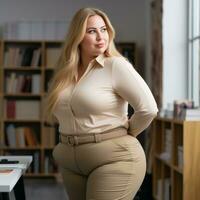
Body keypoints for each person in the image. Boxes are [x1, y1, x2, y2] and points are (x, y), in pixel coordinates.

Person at [45, 7, 158, 200]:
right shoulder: (64, 73)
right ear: (77, 37)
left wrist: (126, 132)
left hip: (114, 159)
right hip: (70, 162)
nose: (100, 36)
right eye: (91, 31)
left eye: (104, 29)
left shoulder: (116, 65)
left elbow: (148, 109)